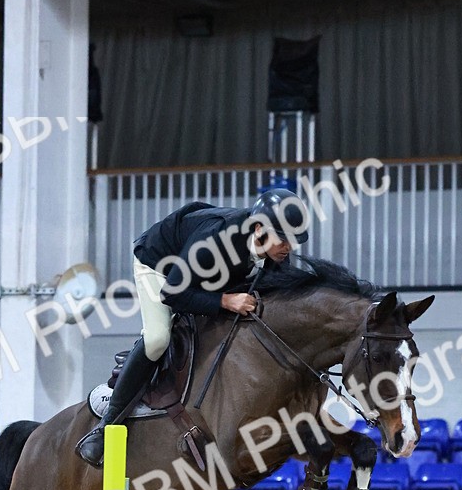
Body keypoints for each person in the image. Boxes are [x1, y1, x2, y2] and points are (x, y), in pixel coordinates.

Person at [75, 187, 309, 466]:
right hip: (161, 267)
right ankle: (105, 426)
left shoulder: (276, 255)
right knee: (158, 339)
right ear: (259, 229)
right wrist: (225, 301)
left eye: (293, 240)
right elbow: (173, 294)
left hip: (207, 274)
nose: (288, 247)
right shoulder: (217, 239)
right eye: (283, 239)